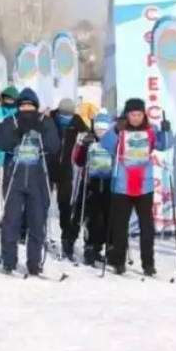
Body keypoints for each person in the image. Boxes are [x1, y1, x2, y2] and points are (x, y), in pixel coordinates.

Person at [99, 99, 170, 276]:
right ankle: (119, 261)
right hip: (122, 186)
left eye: (139, 114)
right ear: (127, 115)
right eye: (132, 115)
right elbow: (106, 145)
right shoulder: (120, 129)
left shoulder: (151, 130)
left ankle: (148, 264)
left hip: (144, 186)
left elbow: (164, 144)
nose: (136, 118)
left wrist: (166, 130)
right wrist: (115, 130)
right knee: (120, 227)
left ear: (143, 114)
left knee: (147, 227)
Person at [0, 88, 60, 275]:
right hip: (14, 177)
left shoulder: (44, 121)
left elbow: (54, 145)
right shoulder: (10, 121)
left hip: (38, 178)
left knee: (37, 220)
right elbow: (2, 144)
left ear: (36, 107)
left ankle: (34, 262)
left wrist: (42, 132)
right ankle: (9, 260)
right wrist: (18, 133)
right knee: (11, 220)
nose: (26, 109)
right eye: (23, 106)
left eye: (30, 106)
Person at [72, 111, 115, 267]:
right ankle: (91, 248)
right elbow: (78, 161)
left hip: (110, 183)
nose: (100, 132)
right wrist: (83, 146)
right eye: (97, 128)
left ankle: (111, 249)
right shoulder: (89, 140)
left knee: (109, 217)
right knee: (93, 217)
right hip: (92, 184)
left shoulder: (113, 141)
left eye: (103, 128)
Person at [51, 98, 89, 260]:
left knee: (64, 204)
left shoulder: (78, 123)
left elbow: (87, 137)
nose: (65, 117)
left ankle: (66, 238)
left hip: (67, 169)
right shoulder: (50, 118)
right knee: (42, 201)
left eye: (68, 114)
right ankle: (39, 233)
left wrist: (88, 140)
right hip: (50, 165)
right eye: (63, 114)